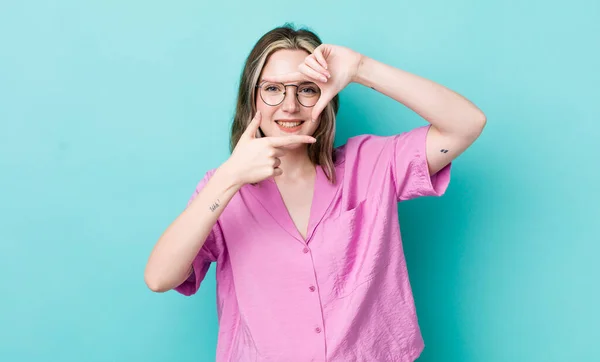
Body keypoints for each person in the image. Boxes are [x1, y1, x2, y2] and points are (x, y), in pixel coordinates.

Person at [144, 23, 486, 362]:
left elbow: (467, 124)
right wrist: (229, 176)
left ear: (327, 95)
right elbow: (159, 277)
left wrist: (360, 68)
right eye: (273, 89)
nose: (290, 105)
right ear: (251, 99)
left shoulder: (371, 163)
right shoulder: (222, 188)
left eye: (306, 89)